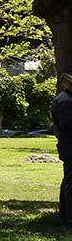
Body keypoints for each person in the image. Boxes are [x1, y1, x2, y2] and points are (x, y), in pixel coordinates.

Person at [56, 73, 72, 227]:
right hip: (69, 145)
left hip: (66, 144)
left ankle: (65, 216)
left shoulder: (64, 99)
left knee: (68, 180)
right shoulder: (66, 101)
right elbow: (67, 125)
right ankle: (68, 219)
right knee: (70, 182)